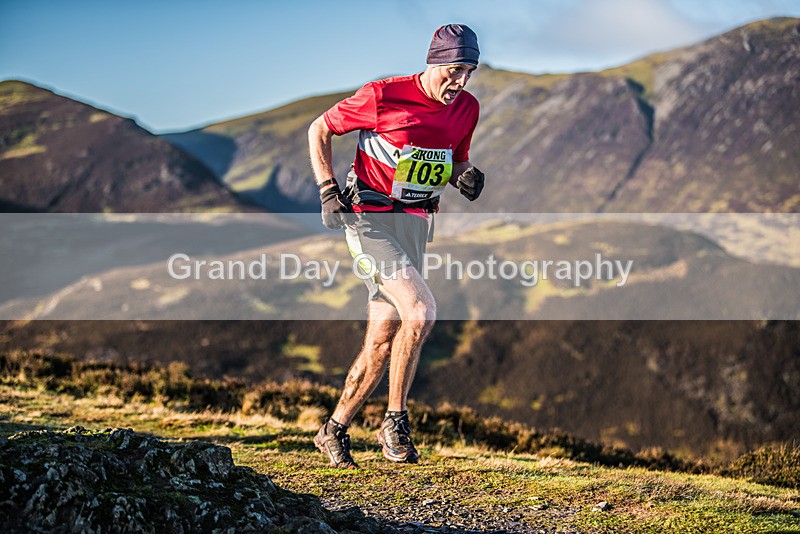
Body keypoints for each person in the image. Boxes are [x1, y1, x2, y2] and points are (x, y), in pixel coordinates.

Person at [307, 24, 485, 468]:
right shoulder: (383, 96)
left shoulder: (467, 108)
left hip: (415, 223)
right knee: (421, 311)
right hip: (369, 219)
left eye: (469, 71)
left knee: (382, 339)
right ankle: (395, 421)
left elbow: (453, 157)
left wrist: (463, 174)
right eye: (454, 70)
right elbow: (319, 129)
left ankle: (333, 429)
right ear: (433, 62)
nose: (460, 82)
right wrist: (328, 189)